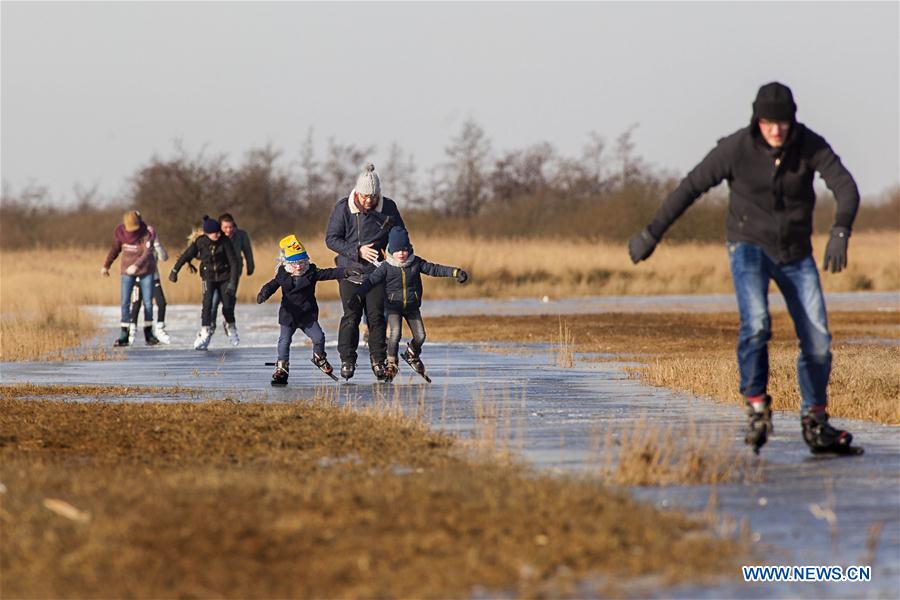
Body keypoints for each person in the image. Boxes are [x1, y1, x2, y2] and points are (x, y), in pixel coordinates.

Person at [627, 82, 861, 455]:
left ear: (792, 121)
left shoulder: (810, 145)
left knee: (817, 339)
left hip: (796, 252)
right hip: (748, 245)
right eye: (769, 122)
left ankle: (815, 420)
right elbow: (690, 187)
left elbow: (845, 187)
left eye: (782, 122)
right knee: (756, 324)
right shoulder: (735, 148)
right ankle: (756, 407)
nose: (776, 130)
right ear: (758, 120)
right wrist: (651, 233)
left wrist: (840, 229)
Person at [349, 226, 468, 380]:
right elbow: (371, 281)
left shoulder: (415, 263)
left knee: (421, 336)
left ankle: (412, 353)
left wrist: (455, 272)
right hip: (393, 307)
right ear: (391, 250)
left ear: (409, 249)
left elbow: (434, 269)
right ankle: (391, 362)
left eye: (405, 250)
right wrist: (358, 295)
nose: (401, 254)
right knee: (395, 334)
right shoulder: (386, 267)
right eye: (398, 250)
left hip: (412, 307)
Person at [325, 163, 406, 381]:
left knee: (376, 318)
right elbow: (331, 239)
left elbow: (400, 234)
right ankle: (347, 360)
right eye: (365, 196)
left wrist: (393, 251)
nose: (369, 200)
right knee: (351, 317)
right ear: (357, 192)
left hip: (377, 273)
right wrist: (357, 251)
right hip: (349, 272)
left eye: (373, 196)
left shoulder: (388, 207)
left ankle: (378, 361)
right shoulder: (343, 208)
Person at [257, 235, 351, 385]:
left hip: (307, 316)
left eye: (302, 262)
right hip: (289, 316)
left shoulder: (311, 272)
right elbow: (272, 285)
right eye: (295, 263)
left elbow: (329, 273)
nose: (299, 267)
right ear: (287, 263)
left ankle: (319, 357)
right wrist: (264, 292)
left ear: (306, 261)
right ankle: (282, 367)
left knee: (319, 337)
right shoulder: (282, 274)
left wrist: (346, 271)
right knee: (284, 341)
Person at [169, 215, 239, 351]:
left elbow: (234, 262)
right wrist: (174, 270)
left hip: (224, 277)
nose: (218, 235)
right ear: (207, 233)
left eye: (219, 232)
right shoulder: (200, 242)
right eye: (214, 233)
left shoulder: (224, 241)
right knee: (207, 303)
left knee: (228, 305)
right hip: (208, 277)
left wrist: (232, 282)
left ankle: (231, 327)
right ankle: (205, 329)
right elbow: (186, 255)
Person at [101, 210, 159, 347]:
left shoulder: (146, 233)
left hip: (145, 270)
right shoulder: (120, 234)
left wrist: (136, 265)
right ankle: (124, 333)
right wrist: (106, 266)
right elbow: (114, 250)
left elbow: (147, 252)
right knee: (125, 302)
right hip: (126, 272)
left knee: (148, 302)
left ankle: (148, 333)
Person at [206, 212, 255, 345]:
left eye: (231, 227)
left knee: (229, 300)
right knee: (214, 301)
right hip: (217, 274)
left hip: (233, 273)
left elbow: (247, 250)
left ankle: (228, 323)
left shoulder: (241, 235)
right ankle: (210, 327)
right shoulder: (216, 236)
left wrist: (250, 265)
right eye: (225, 227)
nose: (228, 230)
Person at [126, 213, 171, 344]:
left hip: (153, 277)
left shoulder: (152, 239)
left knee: (161, 303)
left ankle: (159, 328)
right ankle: (131, 332)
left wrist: (156, 244)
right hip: (137, 279)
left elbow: (164, 258)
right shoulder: (134, 242)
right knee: (136, 305)